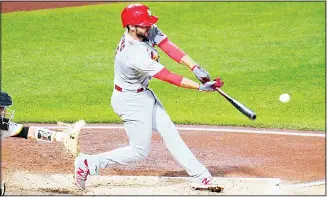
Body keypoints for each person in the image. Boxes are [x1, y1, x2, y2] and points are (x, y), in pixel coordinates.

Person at [74, 3, 224, 192]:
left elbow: (168, 46)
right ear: (130, 26)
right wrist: (199, 87)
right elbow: (168, 76)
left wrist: (194, 67)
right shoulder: (133, 54)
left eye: (148, 23)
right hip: (129, 102)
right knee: (138, 151)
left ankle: (202, 177)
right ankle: (87, 163)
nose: (149, 27)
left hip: (143, 94)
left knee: (171, 134)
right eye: (144, 25)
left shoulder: (143, 30)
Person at [0, 91, 85, 156]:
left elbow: (27, 132)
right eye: (2, 108)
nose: (5, 111)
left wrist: (59, 136)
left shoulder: (2, 124)